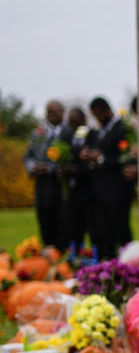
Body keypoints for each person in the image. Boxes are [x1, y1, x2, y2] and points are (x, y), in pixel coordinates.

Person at [81, 97, 133, 259]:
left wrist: (101, 159)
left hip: (118, 190)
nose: (97, 118)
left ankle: (128, 262)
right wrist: (88, 157)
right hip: (100, 191)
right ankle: (108, 262)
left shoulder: (122, 129)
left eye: (98, 114)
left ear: (107, 111)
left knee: (121, 229)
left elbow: (126, 159)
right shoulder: (96, 133)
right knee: (104, 230)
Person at [23, 100, 69, 249]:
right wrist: (34, 167)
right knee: (44, 224)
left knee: (61, 226)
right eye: (48, 113)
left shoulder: (68, 132)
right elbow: (28, 157)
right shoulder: (38, 133)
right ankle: (47, 256)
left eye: (55, 112)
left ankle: (63, 257)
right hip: (42, 189)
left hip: (60, 187)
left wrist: (49, 168)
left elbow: (70, 158)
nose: (51, 116)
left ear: (62, 112)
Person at [63, 107, 96, 251]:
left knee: (92, 225)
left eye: (75, 123)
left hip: (88, 191)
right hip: (72, 192)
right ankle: (76, 255)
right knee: (73, 226)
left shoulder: (92, 135)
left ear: (83, 120)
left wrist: (76, 170)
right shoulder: (69, 136)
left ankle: (95, 256)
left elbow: (92, 165)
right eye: (70, 123)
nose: (72, 126)